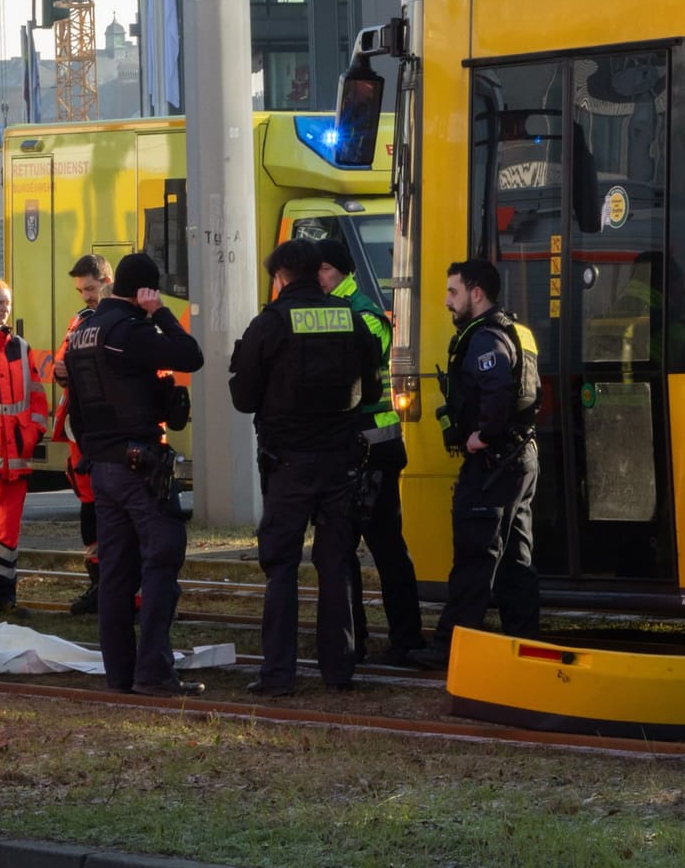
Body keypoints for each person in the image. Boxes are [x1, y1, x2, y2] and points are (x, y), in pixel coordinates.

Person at [231, 239, 381, 696]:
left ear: (280, 278)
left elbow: (243, 399)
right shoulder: (352, 319)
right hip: (341, 462)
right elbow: (372, 391)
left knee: (282, 567)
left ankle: (278, 674)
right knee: (335, 563)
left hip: (287, 464)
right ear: (318, 273)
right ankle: (340, 670)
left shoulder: (270, 323)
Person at [62, 252, 206, 696]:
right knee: (162, 558)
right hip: (139, 465)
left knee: (116, 574)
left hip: (103, 468)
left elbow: (78, 408)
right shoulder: (131, 331)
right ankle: (155, 673)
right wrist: (159, 311)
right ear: (145, 289)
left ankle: (120, 674)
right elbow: (190, 355)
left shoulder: (82, 332)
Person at [412, 257, 541, 670]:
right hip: (522, 459)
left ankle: (453, 646)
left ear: (476, 293)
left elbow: (499, 388)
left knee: (474, 555)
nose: (448, 301)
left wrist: (482, 435)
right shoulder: (517, 330)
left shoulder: (485, 339)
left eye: (453, 292)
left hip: (493, 463)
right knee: (516, 558)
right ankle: (524, 640)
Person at [315, 238, 427, 667]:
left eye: (324, 270)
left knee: (384, 548)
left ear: (341, 271)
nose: (319, 278)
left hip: (373, 449)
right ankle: (357, 641)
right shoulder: (337, 310)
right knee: (349, 548)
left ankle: (404, 638)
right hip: (354, 446)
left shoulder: (363, 313)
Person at [0, 276, 49, 613]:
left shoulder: (20, 346)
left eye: (7, 303)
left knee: (8, 531)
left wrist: (32, 431)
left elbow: (35, 395)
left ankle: (3, 596)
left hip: (15, 455)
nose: (4, 310)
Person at [53, 253, 111, 613]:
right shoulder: (81, 320)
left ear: (107, 279)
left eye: (90, 288)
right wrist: (62, 371)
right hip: (82, 429)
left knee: (110, 512)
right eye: (80, 289)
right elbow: (61, 363)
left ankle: (114, 587)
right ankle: (99, 584)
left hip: (104, 430)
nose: (86, 295)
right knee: (90, 511)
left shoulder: (123, 320)